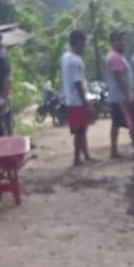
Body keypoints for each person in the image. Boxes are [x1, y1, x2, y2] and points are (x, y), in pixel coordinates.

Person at [105, 29, 134, 159]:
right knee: (132, 122)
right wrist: (127, 94)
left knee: (116, 123)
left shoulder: (117, 56)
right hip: (121, 97)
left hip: (118, 96)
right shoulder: (114, 57)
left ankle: (114, 150)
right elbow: (119, 77)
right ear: (113, 42)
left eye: (122, 40)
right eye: (119, 40)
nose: (122, 43)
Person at [61, 30, 93, 165]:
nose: (85, 45)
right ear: (79, 42)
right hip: (77, 101)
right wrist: (85, 101)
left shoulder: (65, 57)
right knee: (80, 130)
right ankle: (77, 158)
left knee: (80, 130)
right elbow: (78, 82)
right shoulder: (75, 60)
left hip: (70, 100)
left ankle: (85, 155)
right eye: (84, 42)